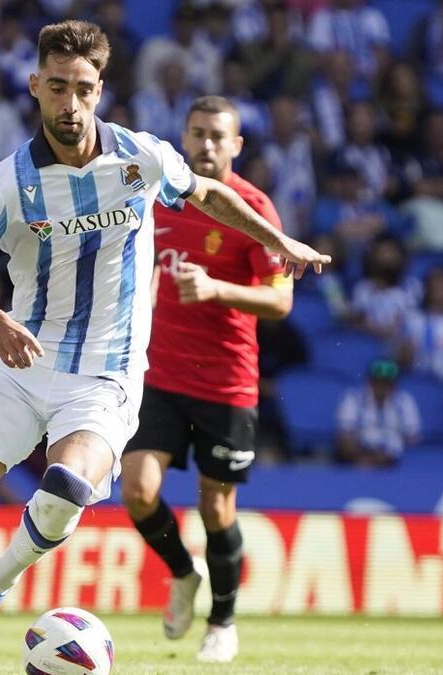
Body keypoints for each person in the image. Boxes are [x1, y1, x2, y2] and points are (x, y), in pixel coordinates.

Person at [0, 20, 329, 675]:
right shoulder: (8, 183)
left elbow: (211, 193)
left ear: (100, 89)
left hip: (105, 372)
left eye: (83, 88)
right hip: (22, 359)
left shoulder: (140, 157)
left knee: (66, 488)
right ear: (35, 86)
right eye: (57, 87)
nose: (70, 103)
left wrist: (279, 242)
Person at [118, 95, 293, 664]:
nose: (207, 145)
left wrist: (217, 290)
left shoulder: (254, 207)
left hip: (225, 382)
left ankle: (223, 621)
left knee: (217, 510)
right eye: (198, 134)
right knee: (139, 492)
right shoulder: (158, 196)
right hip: (160, 374)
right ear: (184, 137)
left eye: (219, 136)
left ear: (237, 145)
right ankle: (182, 572)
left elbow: (281, 300)